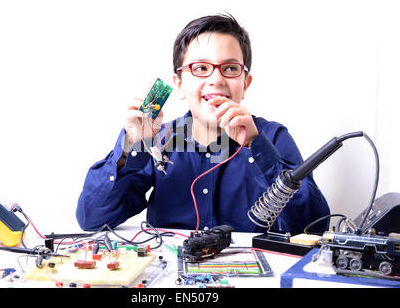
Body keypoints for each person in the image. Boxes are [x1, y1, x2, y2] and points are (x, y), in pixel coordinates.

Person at [76, 14, 330, 235]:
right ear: (179, 84)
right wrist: (130, 147)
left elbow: (313, 227)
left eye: (230, 68)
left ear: (246, 83)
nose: (216, 79)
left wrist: (257, 146)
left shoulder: (271, 137)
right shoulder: (159, 140)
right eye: (200, 68)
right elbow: (93, 219)